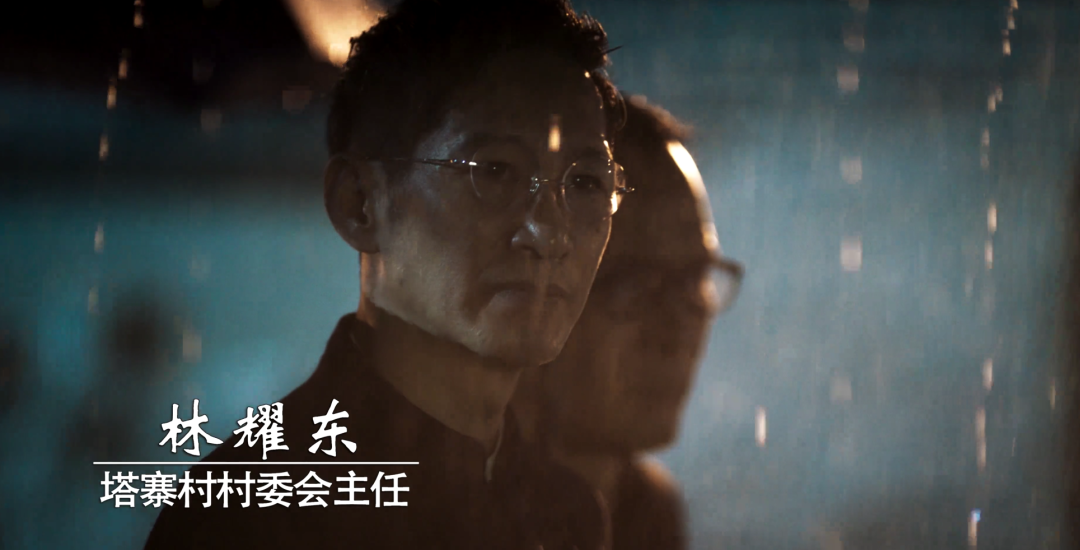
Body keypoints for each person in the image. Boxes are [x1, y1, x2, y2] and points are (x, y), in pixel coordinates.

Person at [142, 0, 630, 548]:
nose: (549, 232)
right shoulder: (256, 515)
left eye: (586, 183)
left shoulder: (565, 514)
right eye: (495, 171)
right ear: (360, 204)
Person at [512, 95, 743, 550]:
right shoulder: (427, 516)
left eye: (695, 279)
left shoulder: (645, 511)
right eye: (634, 285)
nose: (675, 333)